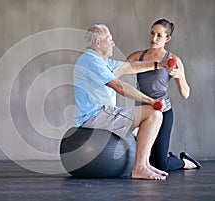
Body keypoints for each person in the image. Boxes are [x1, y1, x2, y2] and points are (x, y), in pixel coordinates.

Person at [73, 24, 171, 180]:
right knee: (153, 114)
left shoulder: (102, 62)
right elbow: (118, 86)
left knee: (154, 114)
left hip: (102, 114)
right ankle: (139, 167)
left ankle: (144, 164)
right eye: (109, 39)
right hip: (94, 117)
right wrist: (151, 100)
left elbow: (130, 67)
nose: (113, 43)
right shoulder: (91, 61)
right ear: (98, 43)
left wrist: (159, 65)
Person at [126, 18, 201, 171]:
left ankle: (186, 162)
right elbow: (118, 71)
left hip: (163, 112)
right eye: (152, 33)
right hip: (141, 112)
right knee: (143, 159)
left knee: (160, 164)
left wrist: (179, 75)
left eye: (159, 35)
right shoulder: (138, 56)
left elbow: (186, 93)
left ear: (167, 39)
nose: (154, 38)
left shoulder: (173, 60)